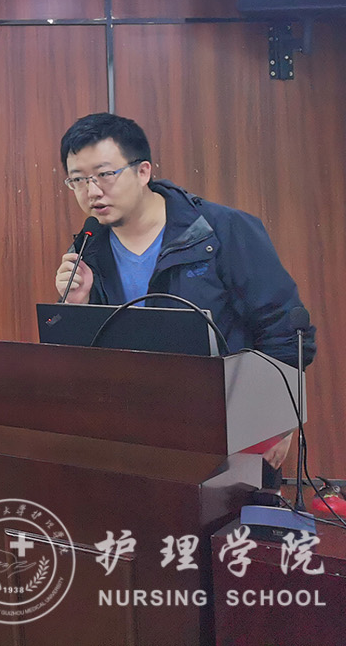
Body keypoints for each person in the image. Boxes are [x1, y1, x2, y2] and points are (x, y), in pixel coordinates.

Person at [52, 113, 314, 480]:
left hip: (230, 435)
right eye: (78, 180)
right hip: (133, 443)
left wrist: (276, 420)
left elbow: (286, 330)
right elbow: (84, 366)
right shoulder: (87, 249)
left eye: (104, 174)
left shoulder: (220, 230)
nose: (91, 191)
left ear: (143, 172)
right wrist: (76, 308)